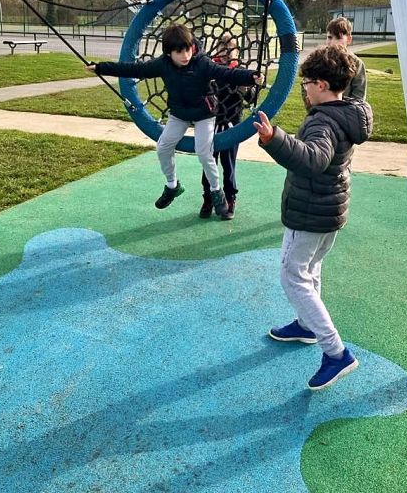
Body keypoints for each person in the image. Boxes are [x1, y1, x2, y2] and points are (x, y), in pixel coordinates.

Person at [253, 45, 373, 391]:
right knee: (311, 268)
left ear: (321, 84)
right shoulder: (348, 112)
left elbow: (314, 159)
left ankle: (336, 353)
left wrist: (275, 139)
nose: (303, 89)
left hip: (309, 213)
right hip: (329, 210)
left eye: (306, 83)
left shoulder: (322, 121)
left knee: (293, 275)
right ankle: (307, 326)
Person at [87, 24, 263, 217]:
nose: (185, 55)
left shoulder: (202, 63)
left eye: (188, 50)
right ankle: (172, 185)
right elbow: (134, 69)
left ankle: (216, 191)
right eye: (179, 52)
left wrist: (251, 76)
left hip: (204, 114)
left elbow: (228, 73)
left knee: (204, 152)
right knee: (163, 146)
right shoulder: (162, 64)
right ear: (168, 53)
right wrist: (100, 67)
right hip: (179, 113)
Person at [199, 33, 253, 221]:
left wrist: (246, 89)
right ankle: (208, 198)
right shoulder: (209, 70)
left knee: (228, 164)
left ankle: (230, 198)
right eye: (223, 47)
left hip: (231, 123)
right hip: (211, 123)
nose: (226, 52)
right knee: (208, 162)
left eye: (230, 48)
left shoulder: (240, 71)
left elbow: (251, 98)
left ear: (236, 51)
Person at [301, 17, 367, 109]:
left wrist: (344, 113)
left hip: (346, 113)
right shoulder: (319, 60)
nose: (333, 42)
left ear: (349, 39)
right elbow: (307, 85)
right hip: (320, 112)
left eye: (338, 37)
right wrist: (314, 110)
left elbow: (358, 96)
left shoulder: (357, 64)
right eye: (330, 37)